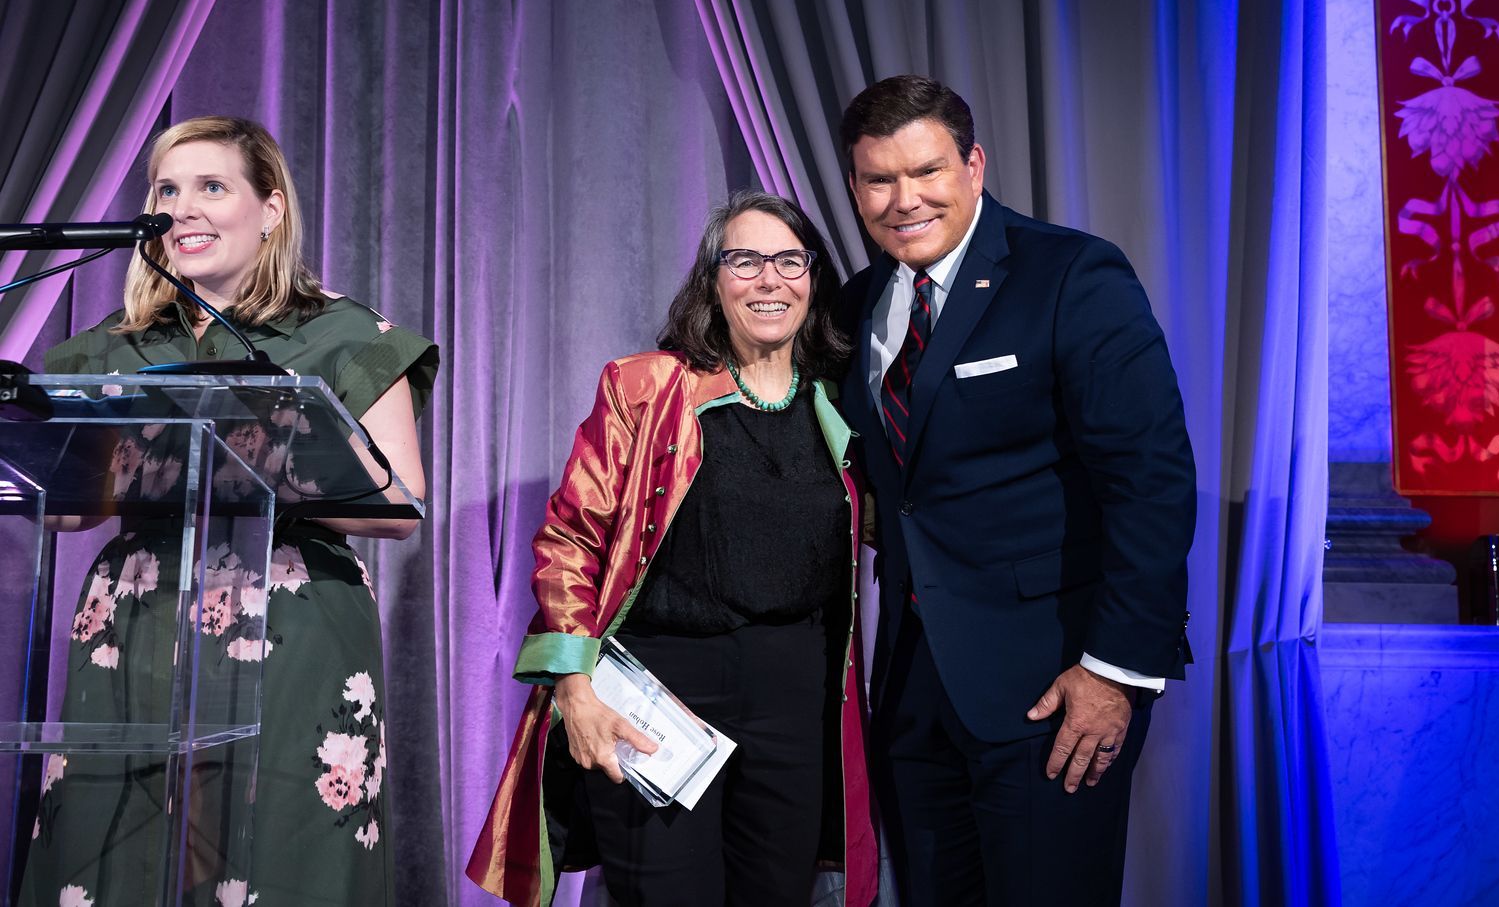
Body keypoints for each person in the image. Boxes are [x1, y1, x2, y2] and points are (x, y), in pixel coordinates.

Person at [23, 116, 438, 906]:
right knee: (121, 856)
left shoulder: (345, 336)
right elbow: (64, 516)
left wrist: (267, 458)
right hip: (134, 628)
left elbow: (399, 508)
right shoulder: (107, 348)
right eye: (167, 190)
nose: (185, 209)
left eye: (213, 186)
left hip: (289, 632)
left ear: (271, 209)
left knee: (280, 852)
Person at [834, 75, 1196, 905]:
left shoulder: (1071, 273)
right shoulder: (857, 303)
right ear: (854, 186)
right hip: (915, 692)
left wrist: (1117, 672)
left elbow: (1152, 479)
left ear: (974, 165)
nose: (904, 200)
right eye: (879, 179)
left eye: (925, 171)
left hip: (1056, 687)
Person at [468, 192, 876, 907]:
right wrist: (574, 685)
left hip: (794, 690)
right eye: (745, 260)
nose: (769, 279)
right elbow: (570, 537)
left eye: (789, 260)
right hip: (665, 690)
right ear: (713, 281)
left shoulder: (838, 404)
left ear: (813, 278)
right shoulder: (647, 386)